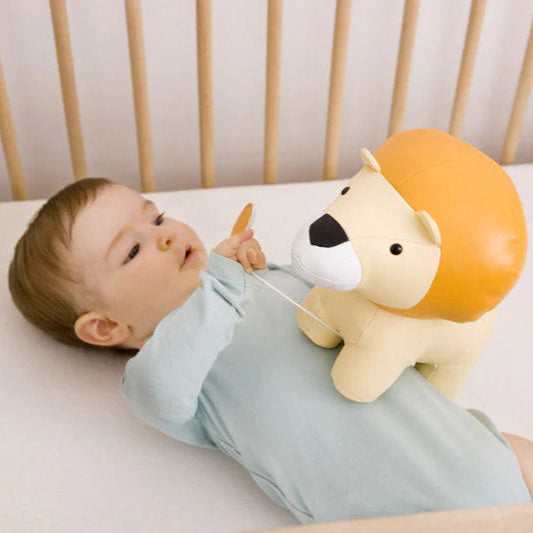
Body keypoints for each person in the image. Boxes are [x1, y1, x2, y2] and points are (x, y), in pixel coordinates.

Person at [8, 178, 533, 524]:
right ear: (104, 327)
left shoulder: (264, 279)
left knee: (513, 450)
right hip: (393, 511)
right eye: (131, 250)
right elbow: (161, 393)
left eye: (158, 217)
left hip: (469, 445)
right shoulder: (159, 369)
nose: (163, 236)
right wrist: (219, 286)